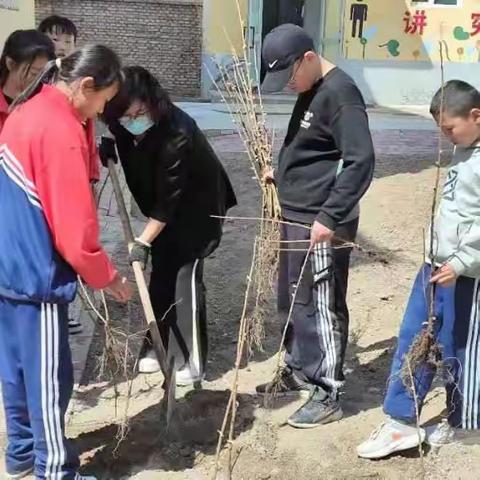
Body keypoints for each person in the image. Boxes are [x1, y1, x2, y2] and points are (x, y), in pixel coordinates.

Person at [0, 44, 132, 480]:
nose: (101, 110)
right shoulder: (59, 129)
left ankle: (20, 454)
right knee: (48, 379)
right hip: (37, 272)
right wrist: (107, 276)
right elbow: (75, 232)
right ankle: (55, 469)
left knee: (16, 370)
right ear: (85, 85)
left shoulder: (25, 111)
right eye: (103, 100)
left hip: (8, 265)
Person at [256, 24, 375, 428]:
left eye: (288, 76)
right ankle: (299, 368)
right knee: (295, 300)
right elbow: (313, 148)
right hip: (296, 214)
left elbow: (361, 161)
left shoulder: (341, 93)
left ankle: (327, 391)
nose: (287, 85)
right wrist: (282, 174)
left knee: (321, 304)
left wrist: (329, 216)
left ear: (308, 59)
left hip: (321, 223)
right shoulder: (309, 87)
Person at [357, 80, 480, 459]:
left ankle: (466, 424)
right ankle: (400, 420)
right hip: (435, 266)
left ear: (476, 116)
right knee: (414, 336)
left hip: (467, 275)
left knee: (460, 347)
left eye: (449, 128)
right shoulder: (462, 151)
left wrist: (461, 262)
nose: (444, 137)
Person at [100, 66, 237, 385]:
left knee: (184, 277)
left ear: (153, 102)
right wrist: (109, 145)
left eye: (138, 112)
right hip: (158, 210)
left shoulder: (177, 133)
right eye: (125, 116)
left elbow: (168, 204)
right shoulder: (123, 121)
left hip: (196, 210)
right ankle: (157, 345)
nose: (133, 120)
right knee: (161, 273)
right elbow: (122, 137)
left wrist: (142, 242)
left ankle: (192, 359)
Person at [38, 15, 102, 335]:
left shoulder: (81, 79)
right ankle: (53, 304)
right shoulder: (39, 82)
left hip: (81, 169)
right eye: (53, 38)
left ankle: (73, 309)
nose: (60, 45)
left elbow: (89, 126)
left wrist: (93, 166)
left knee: (79, 235)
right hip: (49, 175)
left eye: (67, 40)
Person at [0, 29, 55, 132]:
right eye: (34, 73)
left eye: (43, 74)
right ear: (10, 64)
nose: (39, 80)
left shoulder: (47, 103)